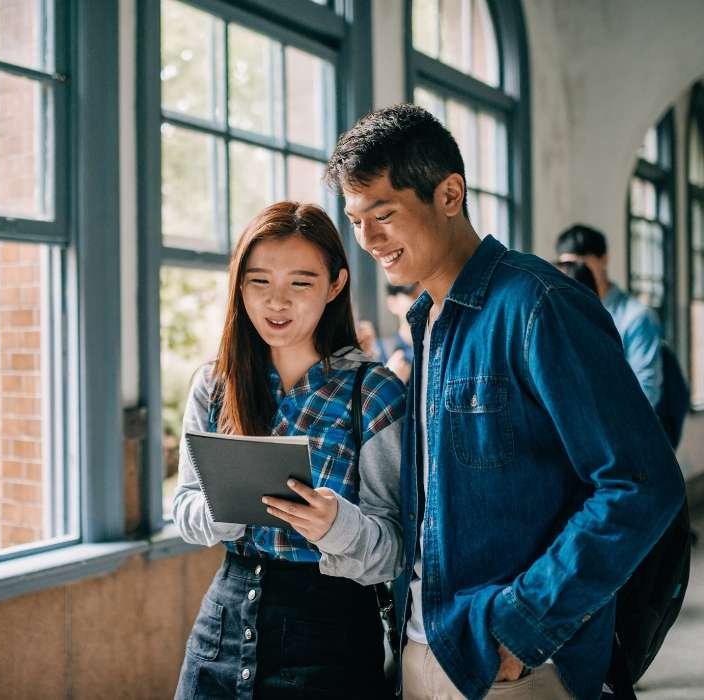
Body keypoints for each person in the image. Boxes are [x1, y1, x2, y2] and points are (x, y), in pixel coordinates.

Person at [323, 104, 685, 700]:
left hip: (516, 665)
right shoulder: (426, 321)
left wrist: (522, 627)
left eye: (383, 214)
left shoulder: (538, 305)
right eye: (356, 221)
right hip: (422, 647)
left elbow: (640, 483)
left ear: (449, 193)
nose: (368, 240)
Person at [172, 201, 406, 699]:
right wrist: (226, 508)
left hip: (333, 640)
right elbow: (184, 509)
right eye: (259, 282)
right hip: (221, 632)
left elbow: (396, 549)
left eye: (300, 283)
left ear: (335, 285)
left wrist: (334, 526)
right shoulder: (215, 384)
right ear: (239, 285)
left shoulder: (372, 392)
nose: (277, 302)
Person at [555, 224, 664, 409]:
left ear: (603, 260)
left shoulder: (636, 318)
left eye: (580, 263)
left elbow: (646, 395)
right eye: (564, 265)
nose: (571, 273)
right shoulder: (561, 315)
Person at [357, 282, 421, 384]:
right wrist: (389, 380)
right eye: (413, 295)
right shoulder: (377, 351)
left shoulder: (438, 348)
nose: (422, 300)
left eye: (424, 294)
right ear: (392, 303)